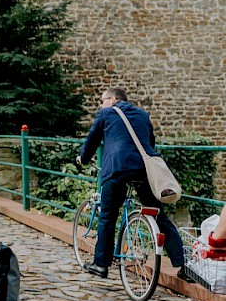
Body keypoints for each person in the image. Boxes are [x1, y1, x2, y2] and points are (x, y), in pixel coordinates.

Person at [77, 87, 193, 282]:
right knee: (156, 214)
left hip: (117, 168)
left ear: (112, 99)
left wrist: (83, 158)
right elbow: (150, 142)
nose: (100, 104)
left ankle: (101, 265)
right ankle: (183, 263)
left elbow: (92, 140)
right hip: (143, 169)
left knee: (107, 216)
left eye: (102, 100)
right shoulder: (143, 114)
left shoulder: (105, 113)